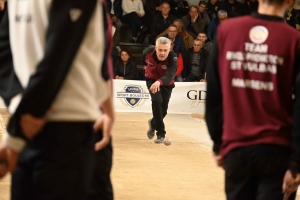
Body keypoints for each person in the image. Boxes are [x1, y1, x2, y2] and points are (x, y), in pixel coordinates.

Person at [0, 1, 115, 200]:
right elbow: (56, 59)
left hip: (30, 125)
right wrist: (20, 123)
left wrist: (20, 111)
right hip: (64, 130)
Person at [205, 0, 300, 198]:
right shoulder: (294, 39)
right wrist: (296, 162)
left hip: (236, 146)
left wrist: (217, 142)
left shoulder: (226, 30)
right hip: (278, 149)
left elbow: (214, 93)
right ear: (290, 2)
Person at [142, 37, 177, 143]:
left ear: (170, 49)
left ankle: (153, 123)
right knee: (157, 101)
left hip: (166, 84)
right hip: (151, 81)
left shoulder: (173, 57)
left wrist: (159, 82)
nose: (162, 53)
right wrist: (152, 77)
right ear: (155, 48)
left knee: (163, 111)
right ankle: (161, 134)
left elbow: (170, 75)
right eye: (160, 50)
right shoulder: (148, 51)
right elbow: (142, 60)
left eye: (165, 50)